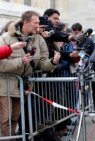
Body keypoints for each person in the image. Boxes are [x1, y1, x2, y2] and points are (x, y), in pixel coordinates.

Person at [0, 10, 61, 139]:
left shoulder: (38, 39)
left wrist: (53, 61)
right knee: (5, 119)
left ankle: (13, 138)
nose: (38, 26)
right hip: (5, 86)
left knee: (15, 118)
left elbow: (42, 63)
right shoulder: (5, 38)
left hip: (24, 86)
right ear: (26, 22)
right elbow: (1, 65)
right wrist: (20, 61)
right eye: (36, 23)